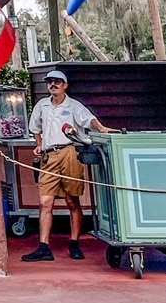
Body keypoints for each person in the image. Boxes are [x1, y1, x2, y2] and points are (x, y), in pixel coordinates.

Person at [21, 70, 121, 262]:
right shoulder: (42, 105)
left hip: (69, 152)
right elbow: (35, 128)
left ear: (65, 85)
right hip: (49, 155)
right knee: (45, 202)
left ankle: (74, 242)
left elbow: (89, 119)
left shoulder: (74, 106)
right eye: (50, 82)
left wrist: (100, 128)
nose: (53, 85)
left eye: (57, 82)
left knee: (72, 201)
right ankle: (44, 247)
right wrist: (39, 144)